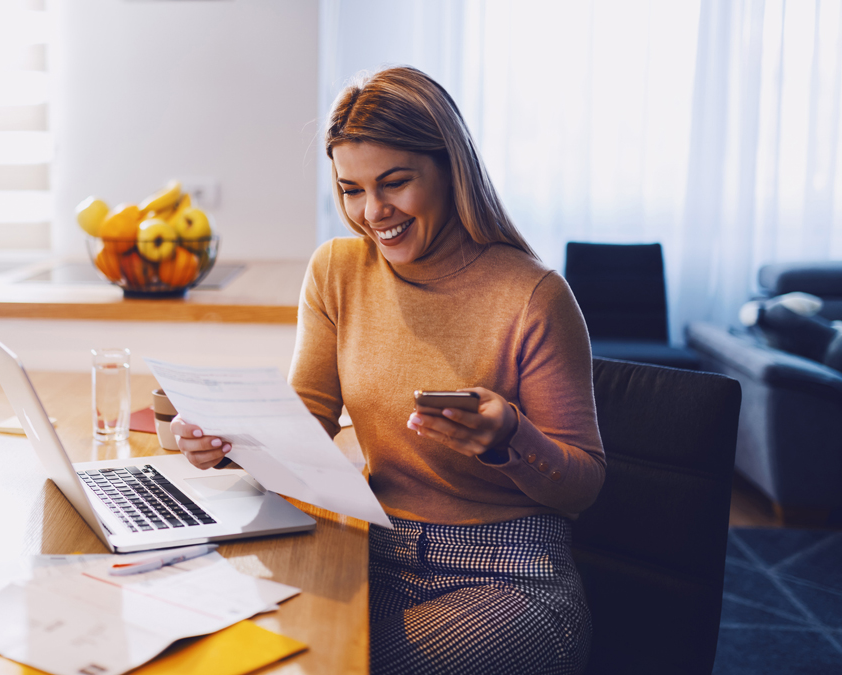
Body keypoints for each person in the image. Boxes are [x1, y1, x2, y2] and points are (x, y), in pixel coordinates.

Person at [170, 66, 604, 675]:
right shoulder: (337, 272)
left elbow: (584, 485)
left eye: (395, 183)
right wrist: (228, 442)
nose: (373, 212)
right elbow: (305, 423)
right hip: (374, 549)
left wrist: (509, 439)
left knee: (324, 667)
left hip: (512, 577)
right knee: (227, 646)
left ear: (450, 168)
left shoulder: (534, 295)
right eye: (351, 189)